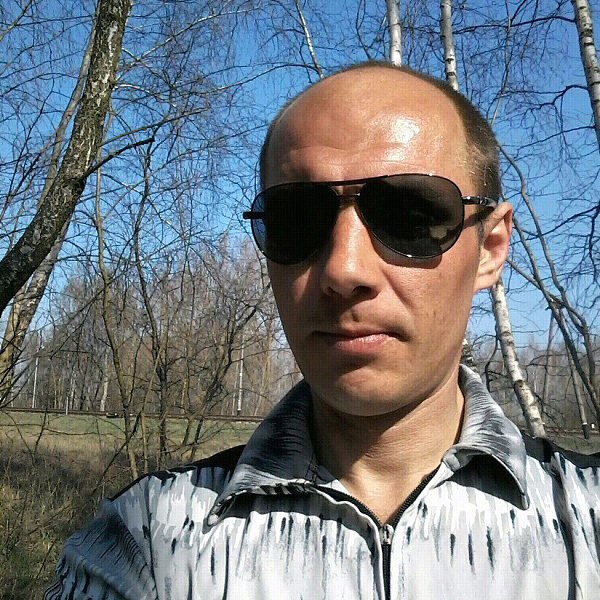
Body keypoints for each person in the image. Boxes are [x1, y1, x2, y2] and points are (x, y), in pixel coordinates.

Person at [46, 62, 599, 600]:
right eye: (297, 218)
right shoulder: (150, 543)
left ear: (490, 248)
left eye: (409, 215)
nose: (343, 269)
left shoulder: (587, 524)